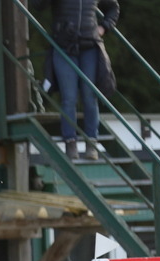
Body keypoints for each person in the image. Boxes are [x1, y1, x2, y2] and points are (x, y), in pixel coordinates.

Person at [32, 0, 119, 161]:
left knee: (89, 95)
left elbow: (113, 7)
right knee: (69, 97)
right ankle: (70, 142)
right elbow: (37, 5)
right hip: (64, 46)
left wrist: (104, 27)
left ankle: (91, 143)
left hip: (90, 47)